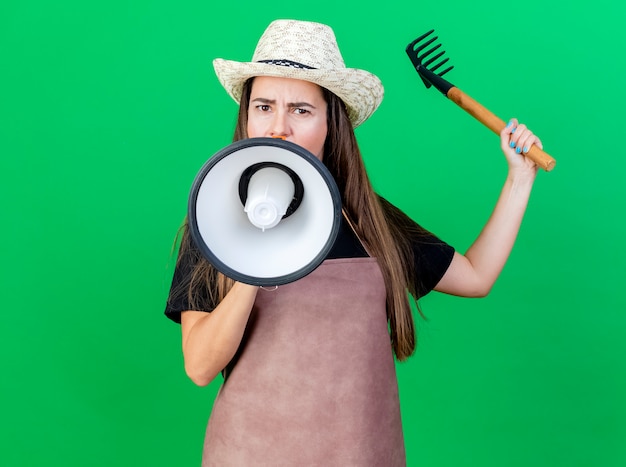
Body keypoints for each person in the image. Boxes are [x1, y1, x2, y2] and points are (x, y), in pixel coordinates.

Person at [164, 19, 543, 466]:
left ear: (332, 122)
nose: (278, 127)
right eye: (264, 106)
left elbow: (476, 276)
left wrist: (520, 179)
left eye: (301, 110)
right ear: (246, 115)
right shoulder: (214, 220)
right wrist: (253, 257)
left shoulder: (370, 218)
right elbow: (200, 367)